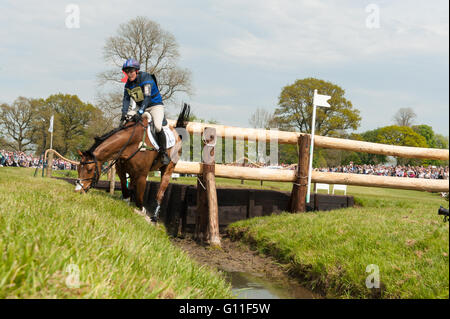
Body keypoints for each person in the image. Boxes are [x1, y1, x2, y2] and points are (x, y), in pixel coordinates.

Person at [121, 58, 170, 165]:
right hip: (139, 107)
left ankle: (163, 152)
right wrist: (124, 114)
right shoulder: (128, 85)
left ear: (137, 71)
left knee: (157, 126)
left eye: (131, 71)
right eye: (127, 72)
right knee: (125, 122)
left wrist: (140, 112)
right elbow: (126, 100)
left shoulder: (146, 78)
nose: (129, 74)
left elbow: (147, 97)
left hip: (155, 106)